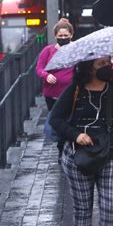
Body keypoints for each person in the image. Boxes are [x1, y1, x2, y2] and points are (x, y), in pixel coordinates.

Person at [49, 56, 113, 226]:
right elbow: (55, 118)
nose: (107, 67)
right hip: (78, 157)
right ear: (90, 68)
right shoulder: (75, 90)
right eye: (101, 64)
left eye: (108, 63)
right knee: (83, 210)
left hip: (109, 155)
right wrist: (76, 135)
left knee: (110, 208)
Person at [35, 18, 75, 160]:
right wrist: (46, 76)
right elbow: (39, 68)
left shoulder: (76, 49)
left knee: (70, 121)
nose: (63, 38)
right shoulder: (48, 51)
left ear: (71, 35)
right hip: (52, 94)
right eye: (60, 36)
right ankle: (61, 148)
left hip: (71, 94)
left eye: (66, 35)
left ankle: (68, 147)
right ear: (55, 36)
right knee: (57, 122)